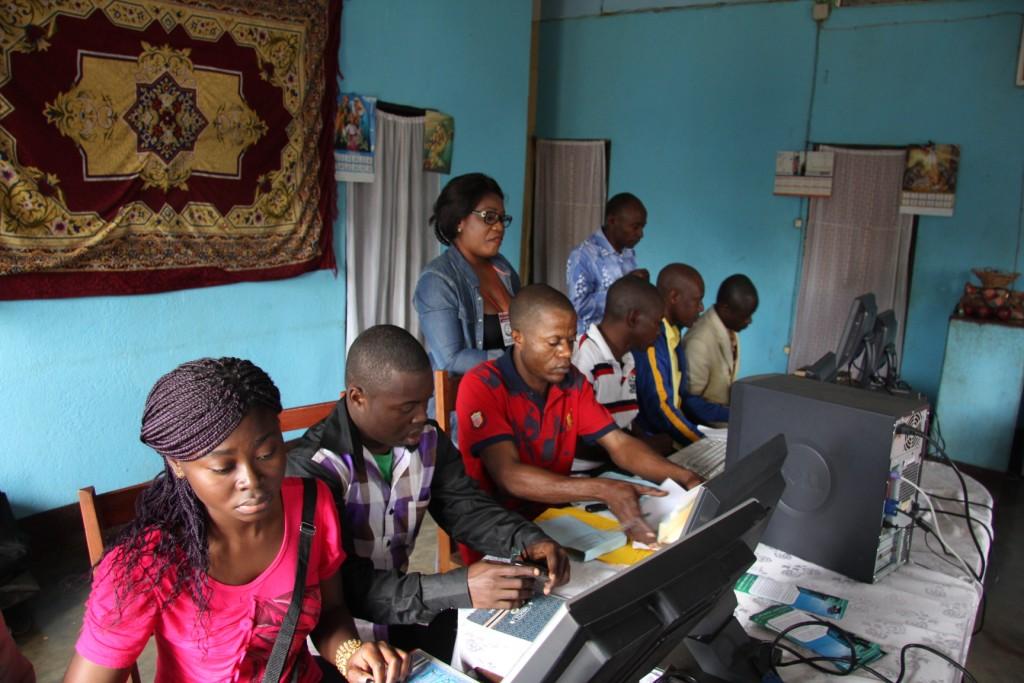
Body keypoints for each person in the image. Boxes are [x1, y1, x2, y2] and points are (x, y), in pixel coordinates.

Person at [65, 358, 409, 683]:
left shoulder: (310, 505)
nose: (253, 481)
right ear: (177, 464)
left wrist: (350, 654)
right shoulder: (147, 565)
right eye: (223, 467)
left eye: (266, 453)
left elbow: (331, 611)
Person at [287, 326, 569, 660]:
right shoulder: (315, 468)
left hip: (402, 614)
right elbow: (345, 589)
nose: (422, 417)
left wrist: (526, 539)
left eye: (425, 402)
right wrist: (457, 587)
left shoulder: (428, 442)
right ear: (358, 397)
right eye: (406, 408)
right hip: (333, 642)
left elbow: (467, 510)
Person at [456, 284, 702, 553]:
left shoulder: (571, 381)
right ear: (518, 337)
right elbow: (509, 476)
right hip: (497, 535)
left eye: (570, 340)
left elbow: (618, 443)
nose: (566, 352)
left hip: (556, 522)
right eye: (554, 342)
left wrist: (684, 477)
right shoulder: (482, 384)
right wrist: (602, 489)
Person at [415, 173, 520, 376]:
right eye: (489, 217)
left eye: (501, 219)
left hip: (511, 392)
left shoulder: (503, 269)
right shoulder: (438, 280)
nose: (499, 227)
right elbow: (452, 360)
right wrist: (518, 361)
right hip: (467, 402)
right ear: (459, 221)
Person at [571, 276, 675, 465]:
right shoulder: (583, 359)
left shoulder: (628, 358)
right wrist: (642, 447)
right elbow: (574, 443)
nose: (659, 332)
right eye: (657, 322)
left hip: (618, 467)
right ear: (633, 318)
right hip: (587, 476)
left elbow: (626, 420)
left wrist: (645, 444)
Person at [634, 264, 730, 448]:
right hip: (653, 441)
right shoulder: (653, 339)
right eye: (697, 300)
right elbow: (661, 409)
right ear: (674, 297)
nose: (701, 308)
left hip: (672, 434)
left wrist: (733, 415)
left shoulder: (674, 334)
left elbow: (685, 400)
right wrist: (700, 443)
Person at [566, 193, 649, 335]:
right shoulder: (583, 255)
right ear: (612, 221)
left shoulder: (628, 253)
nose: (641, 234)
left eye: (642, 227)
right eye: (635, 227)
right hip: (591, 346)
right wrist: (623, 288)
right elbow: (577, 308)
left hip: (622, 343)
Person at [684, 274, 759, 409]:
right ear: (725, 309)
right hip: (706, 426)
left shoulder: (729, 327)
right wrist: (731, 415)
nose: (749, 321)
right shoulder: (699, 342)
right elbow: (690, 403)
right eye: (745, 316)